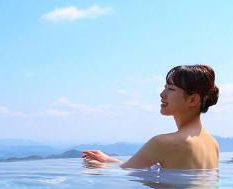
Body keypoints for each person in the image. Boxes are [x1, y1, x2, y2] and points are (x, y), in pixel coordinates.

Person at [82, 64, 220, 170]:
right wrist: (109, 160)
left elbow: (124, 175)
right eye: (165, 87)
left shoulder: (163, 142)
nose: (162, 94)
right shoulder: (212, 143)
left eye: (171, 89)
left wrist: (100, 167)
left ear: (193, 100)